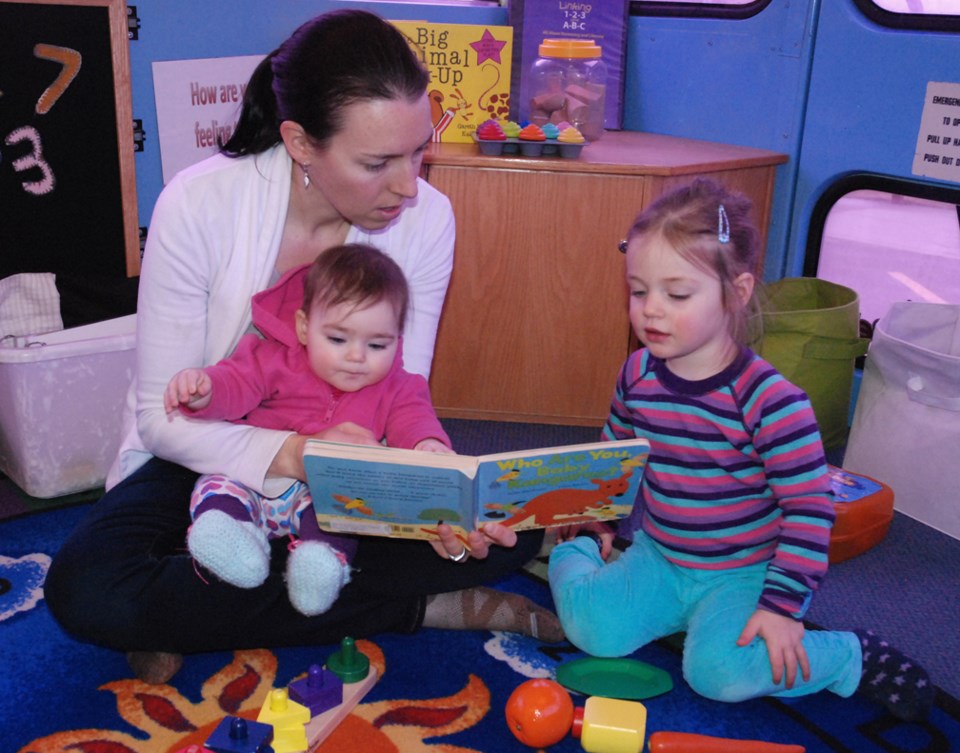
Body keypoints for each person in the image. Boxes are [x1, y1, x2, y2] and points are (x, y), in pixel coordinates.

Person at [45, 9, 561, 686]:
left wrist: (432, 481)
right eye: (377, 163)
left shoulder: (427, 219)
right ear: (299, 141)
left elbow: (402, 386)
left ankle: (183, 606)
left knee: (508, 528)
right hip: (210, 448)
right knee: (86, 587)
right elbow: (163, 417)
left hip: (349, 463)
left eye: (418, 152)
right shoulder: (198, 205)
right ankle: (405, 608)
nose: (409, 185)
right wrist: (293, 454)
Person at [548, 178, 934, 722]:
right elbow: (618, 453)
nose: (651, 311)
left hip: (747, 572)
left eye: (677, 294)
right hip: (662, 554)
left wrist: (778, 608)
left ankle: (848, 657)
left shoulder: (772, 402)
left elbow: (809, 511)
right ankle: (572, 550)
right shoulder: (636, 373)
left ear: (737, 291)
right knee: (593, 632)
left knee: (717, 676)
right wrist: (598, 521)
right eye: (639, 291)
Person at [166, 244, 454, 617]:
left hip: (321, 497)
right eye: (337, 339)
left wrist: (427, 444)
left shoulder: (399, 385)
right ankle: (231, 539)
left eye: (377, 344)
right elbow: (234, 384)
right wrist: (204, 391)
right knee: (216, 485)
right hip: (257, 479)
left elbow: (414, 419)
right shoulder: (272, 359)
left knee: (346, 514)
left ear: (398, 339)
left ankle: (318, 565)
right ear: (304, 327)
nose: (356, 356)